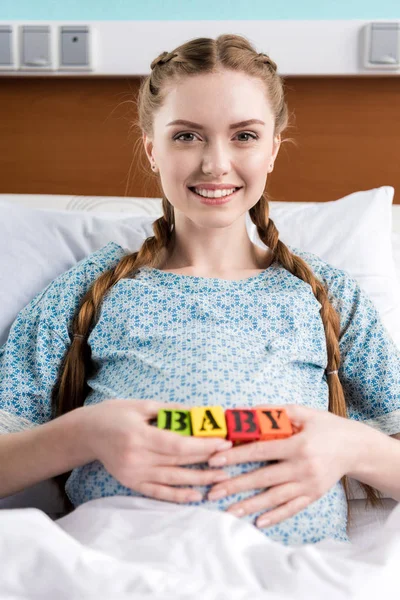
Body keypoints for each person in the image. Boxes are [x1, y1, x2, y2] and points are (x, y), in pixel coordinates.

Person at [1, 33, 400, 548]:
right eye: (187, 136)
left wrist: (350, 448)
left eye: (245, 136)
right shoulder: (96, 289)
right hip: (119, 569)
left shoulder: (323, 295)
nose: (215, 163)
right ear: (152, 149)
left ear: (273, 149)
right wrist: (85, 433)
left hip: (294, 575)